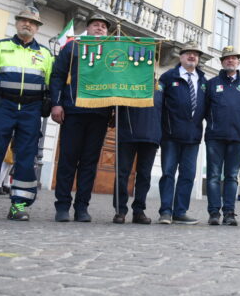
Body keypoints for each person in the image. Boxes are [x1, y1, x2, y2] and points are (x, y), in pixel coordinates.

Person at [0, 6, 54, 221]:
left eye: (32, 23)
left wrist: (48, 103)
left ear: (37, 28)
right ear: (17, 23)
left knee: (25, 157)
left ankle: (19, 205)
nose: (28, 24)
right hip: (2, 106)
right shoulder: (0, 46)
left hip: (31, 110)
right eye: (24, 20)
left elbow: (50, 84)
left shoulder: (45, 53)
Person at [49, 13, 112, 222]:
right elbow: (57, 75)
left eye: (104, 26)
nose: (100, 29)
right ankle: (62, 206)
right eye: (96, 25)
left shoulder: (112, 52)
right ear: (88, 28)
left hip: (99, 113)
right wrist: (56, 103)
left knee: (89, 163)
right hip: (74, 110)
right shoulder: (73, 46)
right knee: (68, 160)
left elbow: (118, 82)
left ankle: (82, 207)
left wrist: (113, 111)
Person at [157, 41, 207, 225]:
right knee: (168, 173)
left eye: (195, 54)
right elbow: (159, 105)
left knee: (188, 175)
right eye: (188, 53)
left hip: (193, 137)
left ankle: (180, 211)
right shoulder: (168, 77)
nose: (192, 56)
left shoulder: (203, 80)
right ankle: (165, 211)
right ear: (181, 56)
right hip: (170, 135)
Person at [204, 46, 240, 226]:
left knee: (232, 176)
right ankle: (214, 213)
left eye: (233, 58)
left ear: (238, 61)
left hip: (237, 138)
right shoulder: (211, 84)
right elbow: (203, 110)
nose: (230, 61)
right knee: (213, 176)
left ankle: (229, 212)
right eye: (226, 58)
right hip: (214, 137)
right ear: (222, 62)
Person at [113, 78, 163, 225]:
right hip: (127, 134)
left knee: (144, 176)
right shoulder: (126, 80)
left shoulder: (161, 86)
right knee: (122, 173)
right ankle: (120, 210)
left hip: (151, 136)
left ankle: (139, 211)